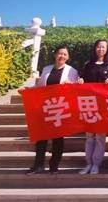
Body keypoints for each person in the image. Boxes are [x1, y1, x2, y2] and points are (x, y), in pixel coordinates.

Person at [24, 45, 79, 175]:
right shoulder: (46, 69)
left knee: (58, 139)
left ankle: (54, 166)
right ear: (55, 55)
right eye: (60, 53)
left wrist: (71, 84)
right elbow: (40, 87)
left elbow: (75, 90)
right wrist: (28, 90)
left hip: (60, 109)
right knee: (41, 138)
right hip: (46, 107)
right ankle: (38, 165)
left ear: (68, 57)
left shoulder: (72, 71)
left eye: (65, 54)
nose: (62, 56)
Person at [77, 39, 108, 175]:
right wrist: (81, 80)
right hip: (90, 104)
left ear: (107, 50)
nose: (101, 49)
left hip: (103, 104)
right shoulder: (88, 65)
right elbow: (82, 78)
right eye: (99, 47)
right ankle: (88, 163)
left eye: (103, 47)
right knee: (89, 136)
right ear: (95, 48)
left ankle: (96, 164)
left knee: (100, 136)